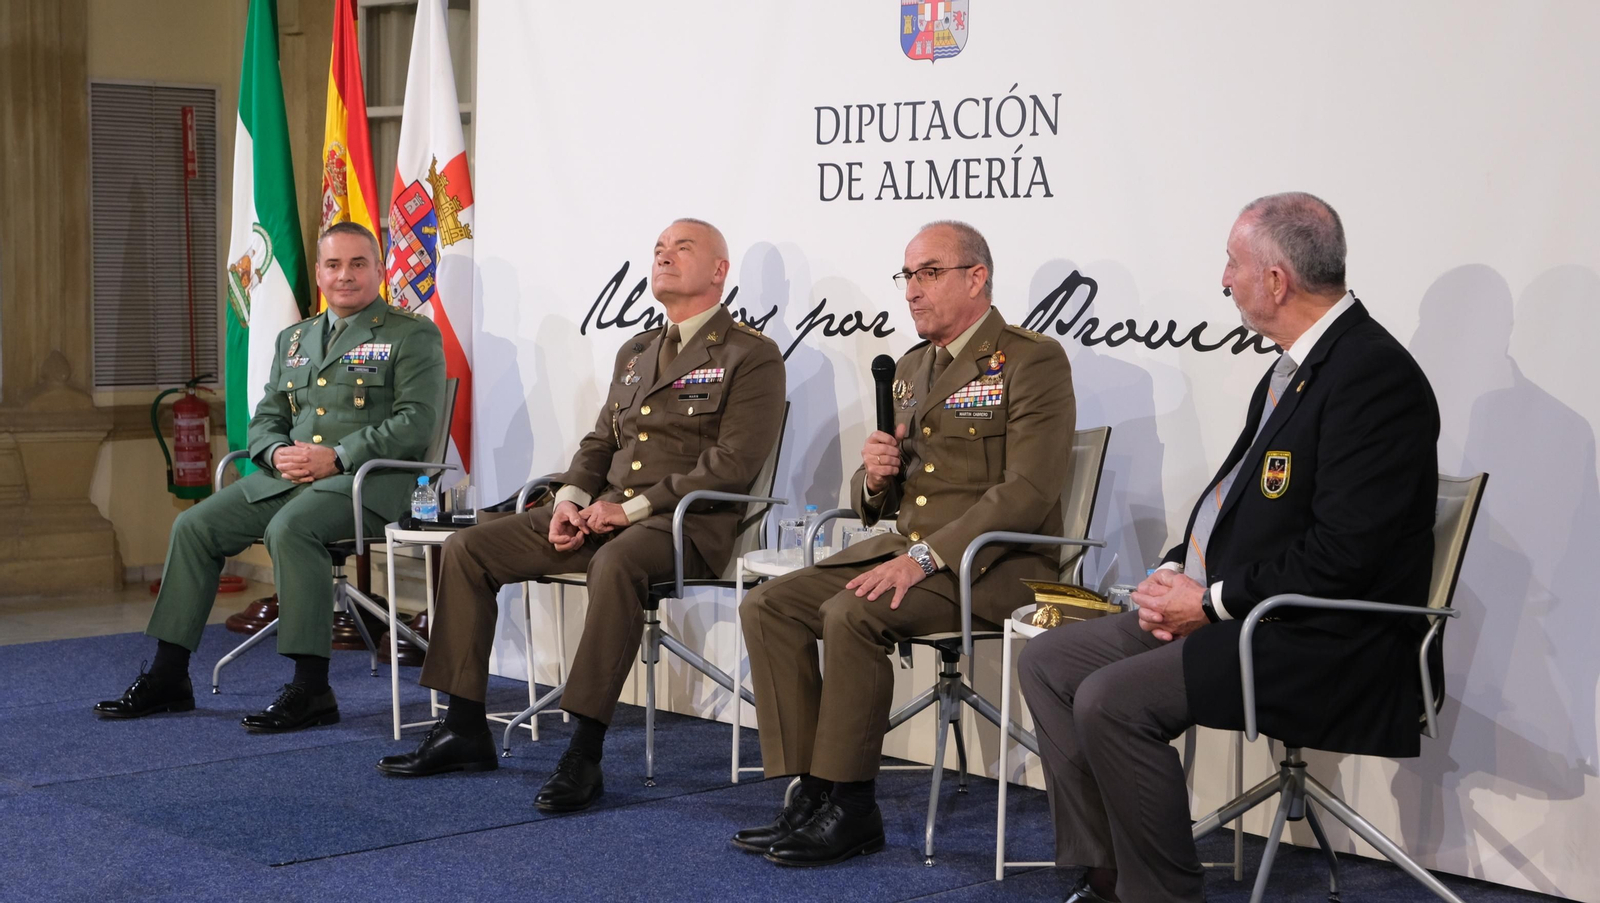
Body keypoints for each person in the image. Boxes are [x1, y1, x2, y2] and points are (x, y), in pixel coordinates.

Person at [1018, 192, 1440, 903]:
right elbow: (1239, 501)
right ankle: (1108, 871)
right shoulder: (1296, 366)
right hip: (1247, 612)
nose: (1223, 280)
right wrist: (1180, 567)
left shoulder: (1372, 375)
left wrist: (1208, 601)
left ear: (1276, 280)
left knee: (1111, 701)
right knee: (1050, 660)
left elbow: (1346, 555)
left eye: (1233, 263)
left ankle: (1165, 895)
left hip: (1324, 636)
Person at [376, 218, 787, 814]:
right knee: (470, 547)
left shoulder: (752, 354)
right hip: (604, 514)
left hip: (683, 526)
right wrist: (569, 499)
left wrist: (631, 509)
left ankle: (584, 752)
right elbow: (601, 443)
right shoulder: (638, 349)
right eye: (659, 249)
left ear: (720, 271)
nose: (664, 257)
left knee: (618, 563)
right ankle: (464, 726)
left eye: (683, 248)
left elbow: (732, 463)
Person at [734, 220, 1077, 867]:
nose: (912, 290)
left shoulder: (1031, 358)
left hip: (995, 565)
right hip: (910, 552)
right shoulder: (912, 367)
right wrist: (874, 475)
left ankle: (855, 804)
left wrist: (922, 557)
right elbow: (893, 504)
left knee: (850, 613)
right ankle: (815, 786)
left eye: (929, 273)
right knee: (769, 605)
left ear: (976, 277)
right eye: (907, 275)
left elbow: (1029, 490)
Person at [95, 222, 446, 732]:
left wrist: (339, 456)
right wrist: (276, 450)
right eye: (333, 265)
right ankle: (170, 677)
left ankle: (312, 689)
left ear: (379, 269)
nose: (345, 275)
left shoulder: (410, 334)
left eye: (358, 264)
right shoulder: (295, 338)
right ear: (320, 275)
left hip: (368, 483)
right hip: (287, 477)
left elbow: (416, 423)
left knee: (291, 529)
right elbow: (267, 418)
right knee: (193, 527)